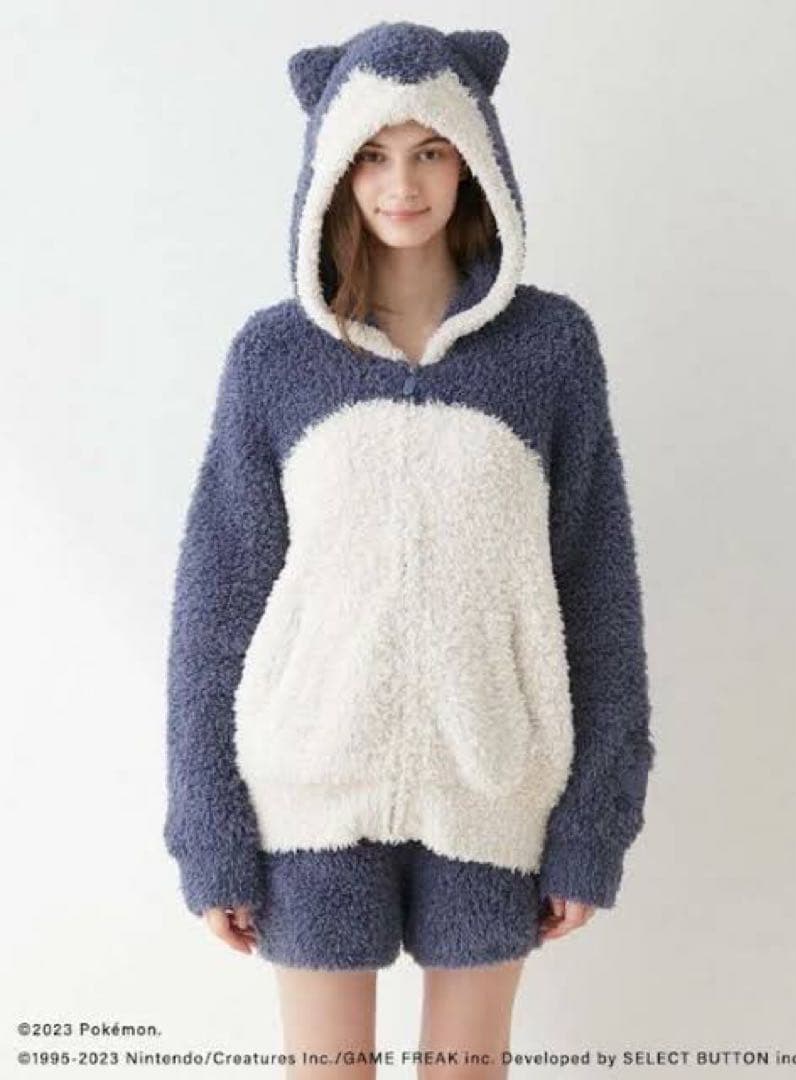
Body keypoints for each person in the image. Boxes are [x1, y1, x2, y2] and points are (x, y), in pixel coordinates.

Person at [163, 20, 656, 1074]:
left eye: (430, 149)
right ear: (333, 171)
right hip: (307, 790)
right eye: (373, 155)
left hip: (496, 786)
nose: (402, 183)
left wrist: (593, 823)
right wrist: (209, 831)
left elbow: (598, 593)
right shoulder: (274, 358)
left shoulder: (552, 349)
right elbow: (216, 604)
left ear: (473, 157)